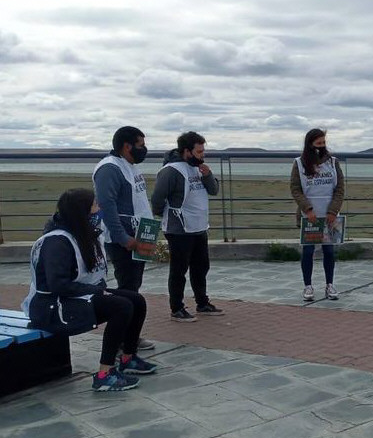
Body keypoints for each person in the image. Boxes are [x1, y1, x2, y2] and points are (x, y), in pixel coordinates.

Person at [22, 189, 157, 392]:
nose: (98, 210)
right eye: (95, 206)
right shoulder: (57, 241)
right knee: (121, 306)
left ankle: (128, 357)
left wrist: (97, 290)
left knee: (136, 300)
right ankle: (105, 374)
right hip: (51, 307)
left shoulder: (82, 233)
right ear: (81, 211)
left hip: (72, 296)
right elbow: (58, 285)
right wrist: (96, 292)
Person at [93, 126, 156, 349]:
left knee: (134, 285)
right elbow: (107, 206)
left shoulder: (130, 166)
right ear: (127, 146)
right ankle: (123, 339)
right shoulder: (110, 169)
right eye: (140, 145)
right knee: (128, 288)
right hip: (125, 239)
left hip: (141, 233)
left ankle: (130, 335)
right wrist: (123, 238)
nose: (144, 149)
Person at [151, 131, 223, 322]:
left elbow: (214, 190)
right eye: (199, 151)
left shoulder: (199, 168)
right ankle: (177, 308)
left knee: (201, 266)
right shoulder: (171, 171)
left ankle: (202, 302)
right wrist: (164, 215)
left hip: (199, 226)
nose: (202, 155)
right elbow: (158, 198)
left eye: (203, 151)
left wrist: (208, 175)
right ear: (186, 151)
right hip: (179, 228)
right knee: (179, 269)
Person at [290, 129, 345, 301]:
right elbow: (295, 188)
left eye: (323, 143)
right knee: (308, 252)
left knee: (329, 251)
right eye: (318, 144)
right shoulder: (299, 163)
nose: (321, 147)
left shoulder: (333, 162)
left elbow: (340, 188)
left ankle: (330, 284)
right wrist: (307, 209)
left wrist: (332, 211)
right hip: (310, 217)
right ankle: (308, 286)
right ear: (310, 144)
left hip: (330, 216)